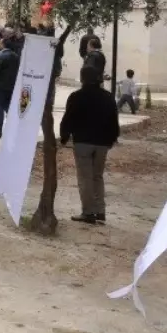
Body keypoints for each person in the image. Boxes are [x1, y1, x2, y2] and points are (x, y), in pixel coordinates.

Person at [60, 65, 120, 224]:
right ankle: (100, 211)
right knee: (97, 176)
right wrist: (112, 138)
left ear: (82, 78)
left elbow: (68, 119)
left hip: (83, 142)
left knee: (85, 177)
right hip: (102, 143)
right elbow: (114, 120)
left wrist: (64, 137)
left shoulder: (76, 96)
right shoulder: (108, 97)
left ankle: (88, 212)